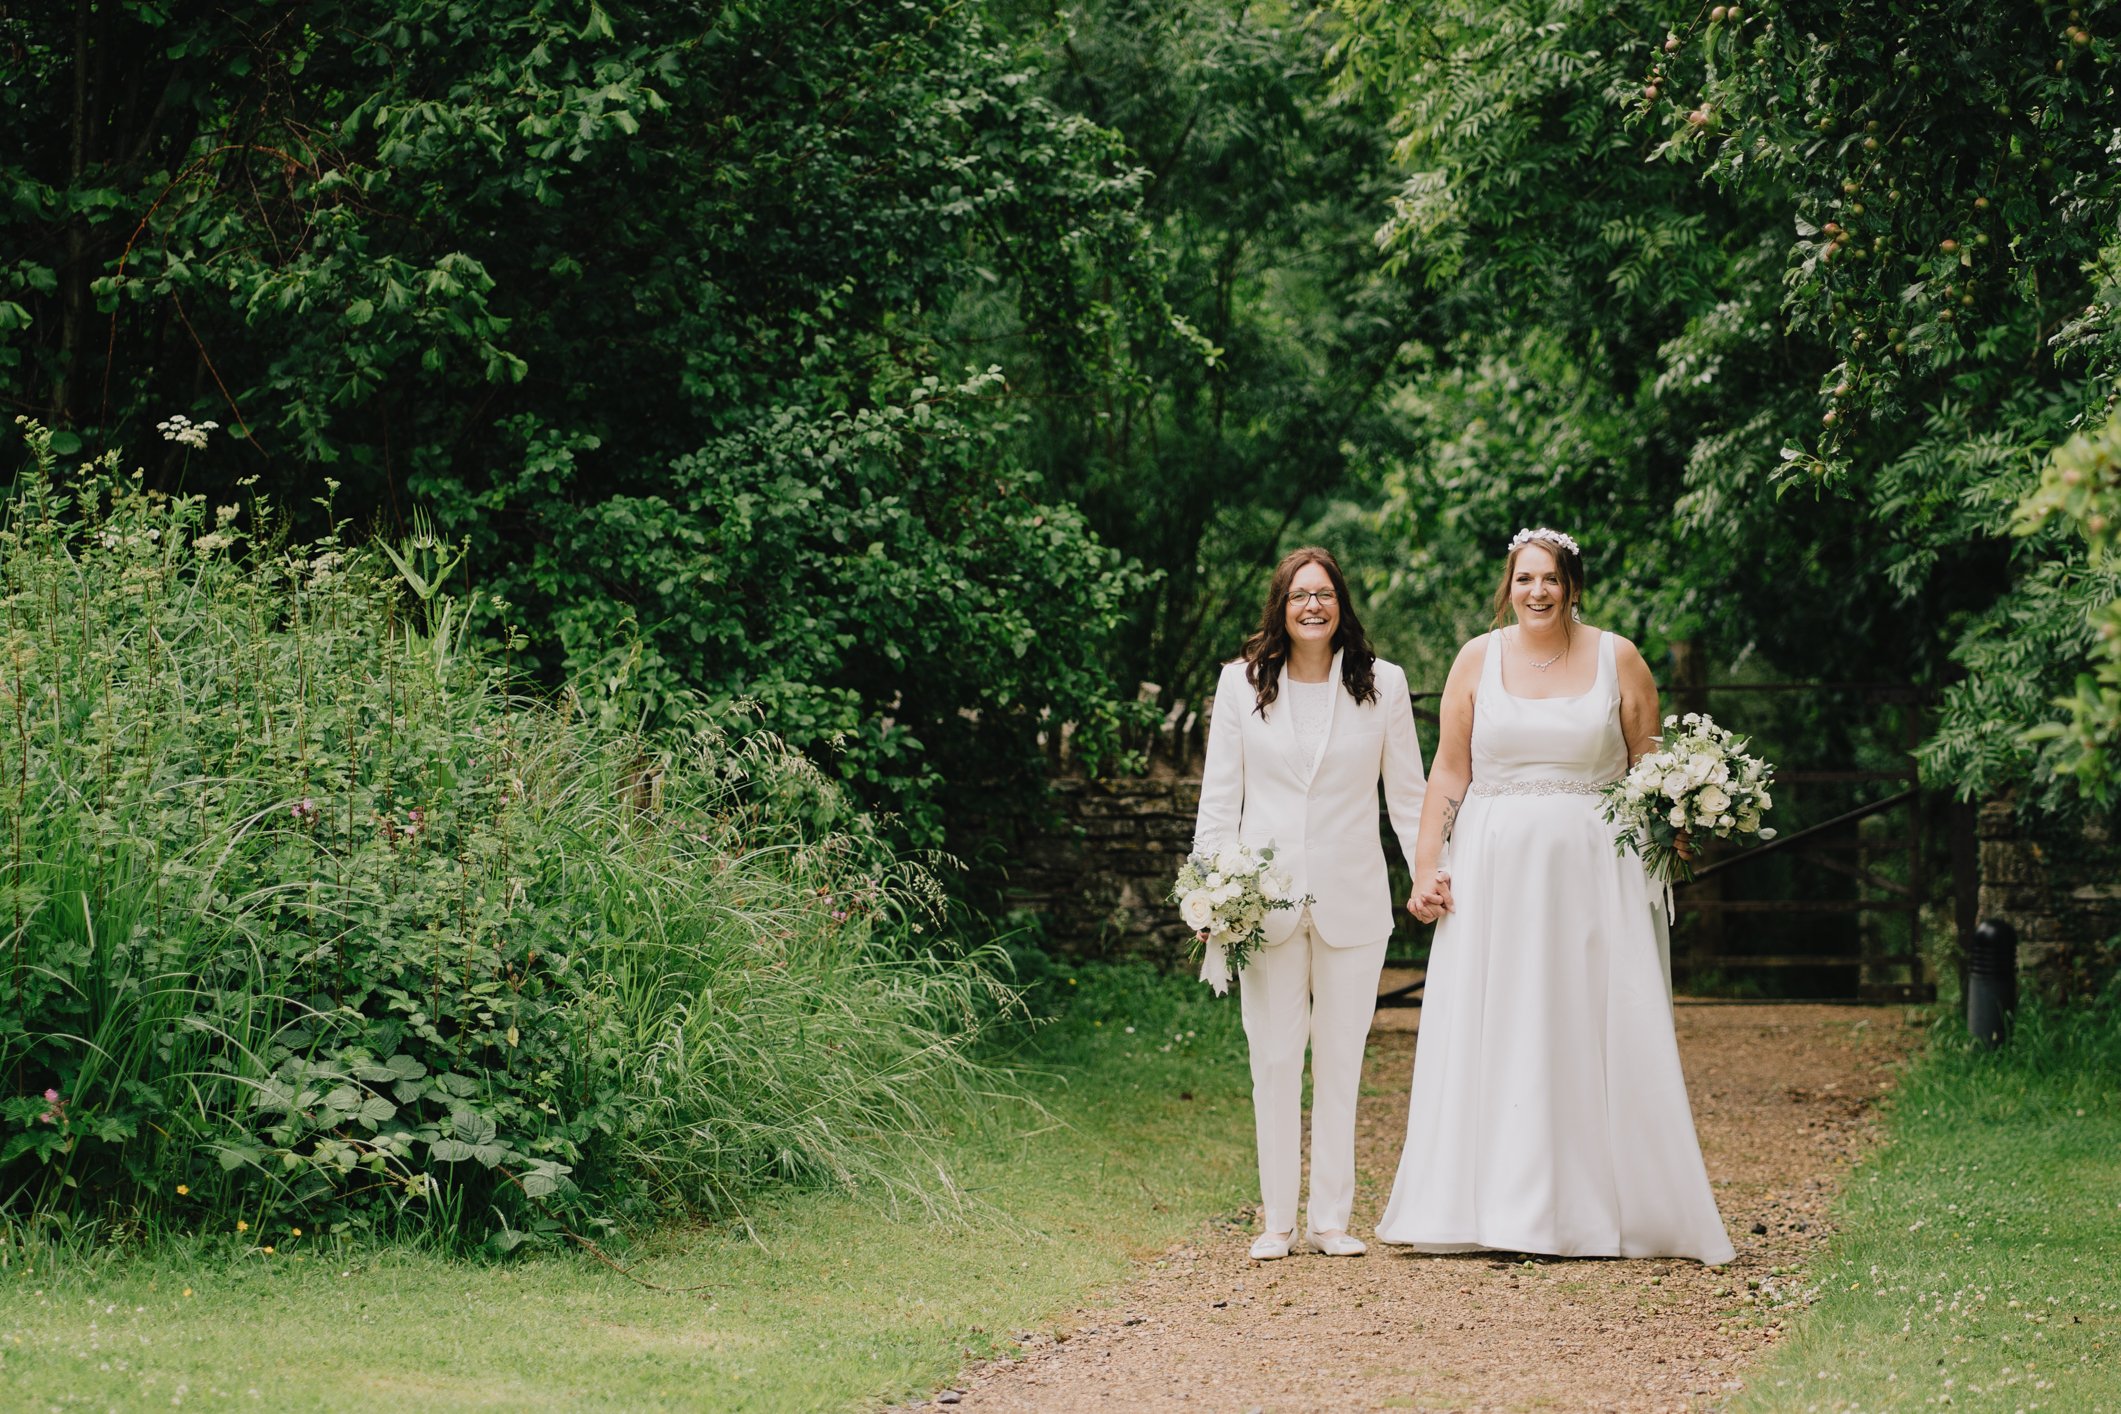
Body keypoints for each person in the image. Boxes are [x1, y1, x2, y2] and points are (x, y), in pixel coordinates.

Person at [1374, 527, 1734, 1265]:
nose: (1536, 591)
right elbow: (1448, 773)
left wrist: (1680, 829)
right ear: (1507, 586)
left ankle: (1601, 1209)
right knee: (1500, 1022)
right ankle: (1489, 1207)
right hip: (1494, 869)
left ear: (1572, 586)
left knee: (1586, 1023)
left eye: (1550, 579)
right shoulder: (1476, 659)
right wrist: (1424, 868)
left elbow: (1648, 764)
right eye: (1523, 579)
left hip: (1595, 871)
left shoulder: (1618, 657)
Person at [1194, 546, 1428, 1261]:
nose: (1312, 606)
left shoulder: (1380, 684)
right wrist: (1209, 891)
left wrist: (1429, 874)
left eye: (1324, 594)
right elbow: (1219, 798)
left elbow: (1409, 797)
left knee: (1340, 1062)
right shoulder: (1240, 684)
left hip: (1353, 902)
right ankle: (1276, 1221)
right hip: (1261, 905)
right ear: (1280, 605)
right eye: (1299, 595)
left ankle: (1330, 1219)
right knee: (1272, 1059)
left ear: (1341, 604)